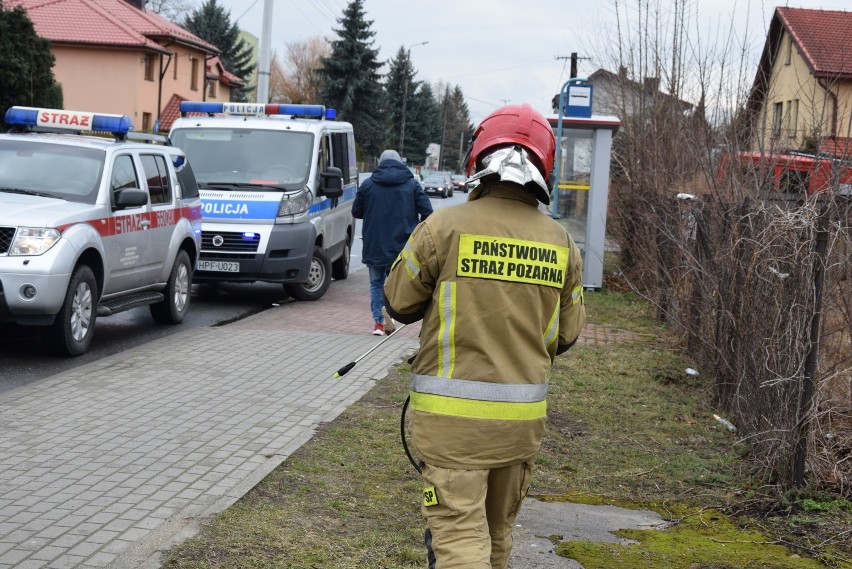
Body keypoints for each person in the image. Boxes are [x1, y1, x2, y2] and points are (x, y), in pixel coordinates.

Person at [383, 104, 586, 569]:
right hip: (519, 425)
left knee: (458, 539)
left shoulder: (444, 227)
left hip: (452, 427)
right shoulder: (562, 244)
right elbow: (565, 336)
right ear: (545, 167)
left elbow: (399, 301)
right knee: (496, 537)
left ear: (479, 158)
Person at [353, 149, 432, 336]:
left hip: (375, 243)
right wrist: (415, 230)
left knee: (376, 284)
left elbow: (356, 212)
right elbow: (427, 212)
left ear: (380, 163)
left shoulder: (368, 185)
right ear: (400, 163)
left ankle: (379, 324)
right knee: (397, 284)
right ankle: (393, 314)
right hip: (403, 245)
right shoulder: (412, 185)